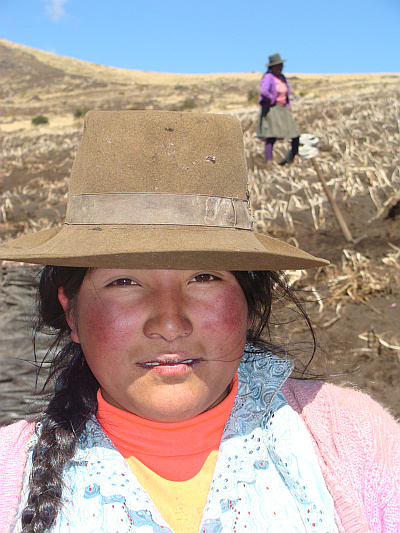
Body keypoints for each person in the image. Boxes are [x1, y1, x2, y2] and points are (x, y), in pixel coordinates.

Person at [0, 110, 399, 533]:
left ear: (250, 306)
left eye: (204, 278)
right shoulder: (10, 473)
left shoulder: (354, 439)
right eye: (124, 281)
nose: (170, 324)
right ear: (71, 312)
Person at [257, 53, 300, 167]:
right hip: (272, 109)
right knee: (271, 136)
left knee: (295, 133)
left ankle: (292, 157)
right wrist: (271, 99)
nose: (280, 68)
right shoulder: (268, 77)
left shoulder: (282, 77)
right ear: (272, 67)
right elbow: (263, 91)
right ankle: (269, 162)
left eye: (281, 66)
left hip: (282, 109)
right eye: (277, 66)